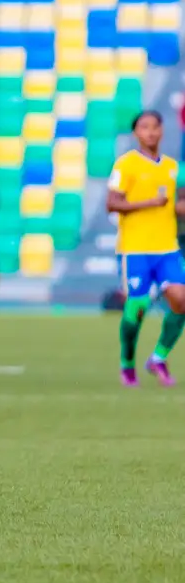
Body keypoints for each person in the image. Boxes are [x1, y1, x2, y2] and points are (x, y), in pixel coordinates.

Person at [106, 110, 185, 386]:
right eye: (144, 127)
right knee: (137, 308)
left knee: (181, 300)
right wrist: (148, 203)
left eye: (155, 126)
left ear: (162, 130)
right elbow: (112, 203)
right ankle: (127, 363)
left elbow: (178, 204)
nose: (150, 132)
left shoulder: (173, 168)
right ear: (136, 133)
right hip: (135, 249)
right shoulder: (125, 165)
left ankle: (158, 358)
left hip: (167, 248)